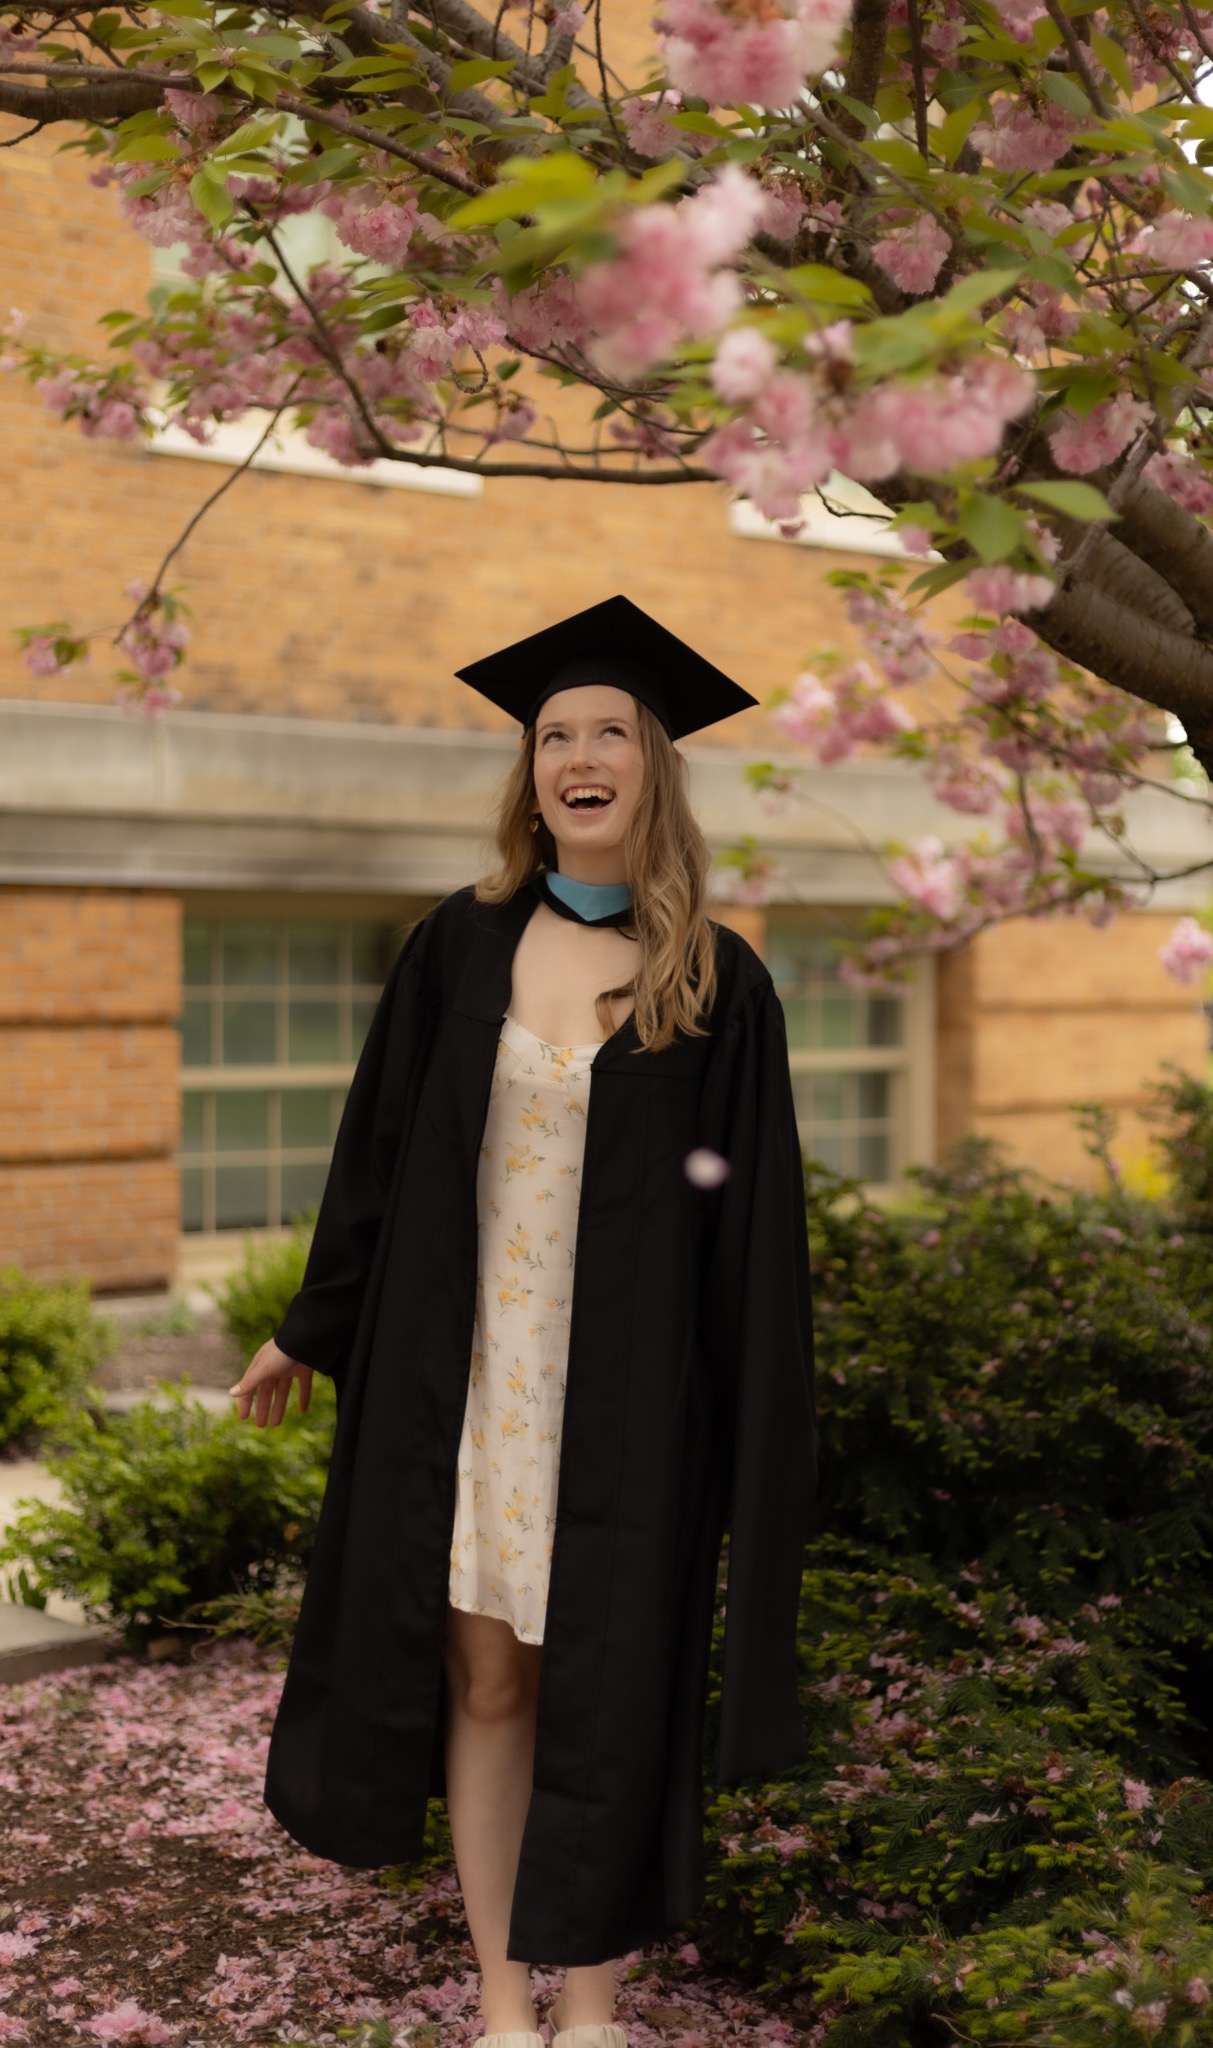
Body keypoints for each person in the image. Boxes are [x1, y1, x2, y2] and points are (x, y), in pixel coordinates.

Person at [228, 595, 819, 2048]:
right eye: (555, 736)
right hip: (473, 1380)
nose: (579, 757)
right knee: (489, 1678)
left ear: (654, 765)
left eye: (609, 732)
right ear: (531, 772)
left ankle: (594, 2005)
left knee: (603, 1686)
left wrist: (751, 1427)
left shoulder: (717, 983)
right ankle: (503, 2001)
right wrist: (312, 1326)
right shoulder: (459, 946)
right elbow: (375, 1159)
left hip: (628, 1397)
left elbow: (752, 1234)